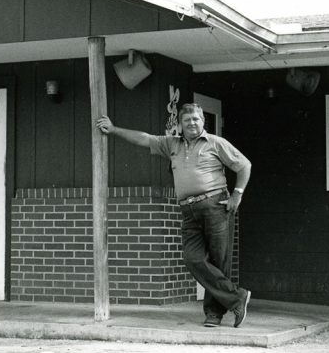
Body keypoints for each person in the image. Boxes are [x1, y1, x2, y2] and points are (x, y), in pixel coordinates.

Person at [96, 103, 252, 328]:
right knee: (192, 258)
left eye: (196, 119)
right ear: (180, 124)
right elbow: (144, 138)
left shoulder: (216, 143)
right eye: (187, 120)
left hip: (215, 206)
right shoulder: (172, 144)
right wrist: (113, 129)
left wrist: (237, 194)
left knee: (219, 261)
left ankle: (214, 314)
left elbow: (244, 165)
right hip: (188, 210)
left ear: (203, 121)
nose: (192, 123)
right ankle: (237, 297)